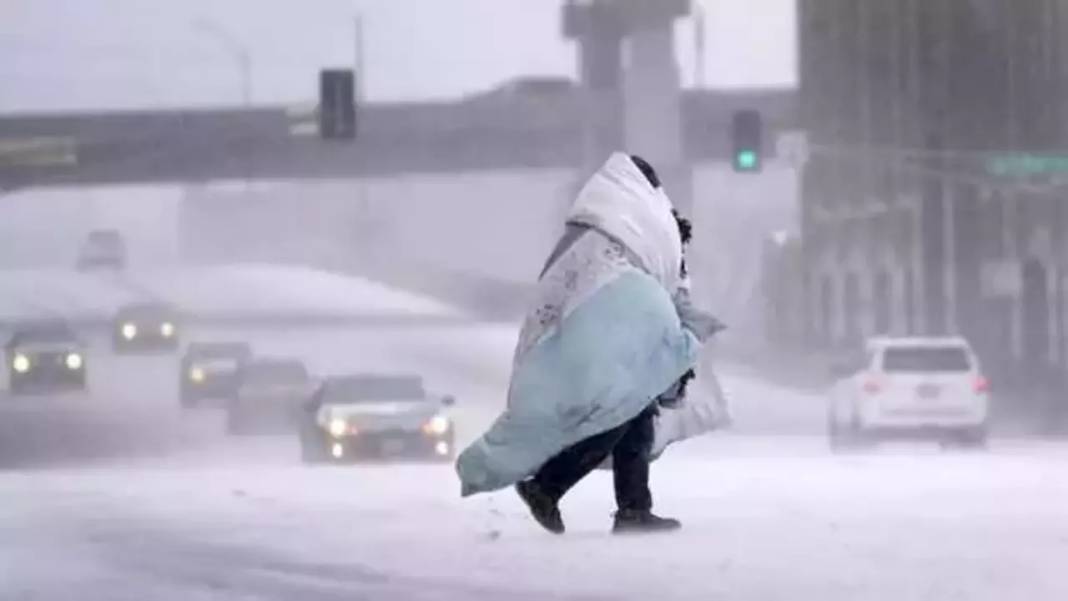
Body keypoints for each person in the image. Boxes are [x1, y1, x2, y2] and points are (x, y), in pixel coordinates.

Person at [456, 153, 721, 534]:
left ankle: (633, 507)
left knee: (635, 416)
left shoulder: (595, 226)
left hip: (598, 331)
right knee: (618, 413)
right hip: (613, 331)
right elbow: (667, 287)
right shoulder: (646, 223)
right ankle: (548, 486)